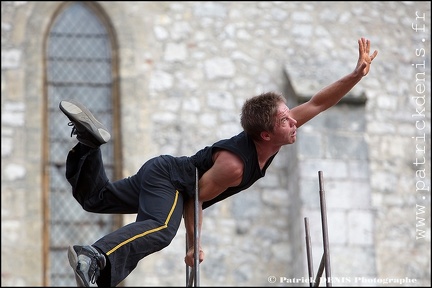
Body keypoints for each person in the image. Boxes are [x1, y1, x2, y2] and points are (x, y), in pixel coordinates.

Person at [61, 37, 377, 287]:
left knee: (95, 199)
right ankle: (95, 256)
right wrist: (192, 243)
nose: (293, 123)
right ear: (266, 134)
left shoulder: (275, 133)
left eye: (290, 117)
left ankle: (88, 145)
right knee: (159, 229)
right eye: (286, 120)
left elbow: (318, 102)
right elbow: (195, 198)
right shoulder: (234, 166)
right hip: (170, 181)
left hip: (162, 173)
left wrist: (355, 74)